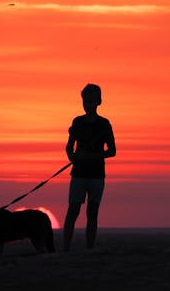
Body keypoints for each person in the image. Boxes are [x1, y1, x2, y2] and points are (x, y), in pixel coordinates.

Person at [63, 83, 116, 251]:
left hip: (96, 175)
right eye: (85, 101)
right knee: (72, 212)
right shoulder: (77, 122)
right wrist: (73, 157)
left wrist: (92, 156)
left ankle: (89, 249)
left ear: (99, 101)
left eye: (91, 101)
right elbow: (68, 147)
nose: (88, 104)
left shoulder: (105, 124)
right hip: (78, 174)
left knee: (92, 213)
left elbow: (112, 151)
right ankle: (65, 249)